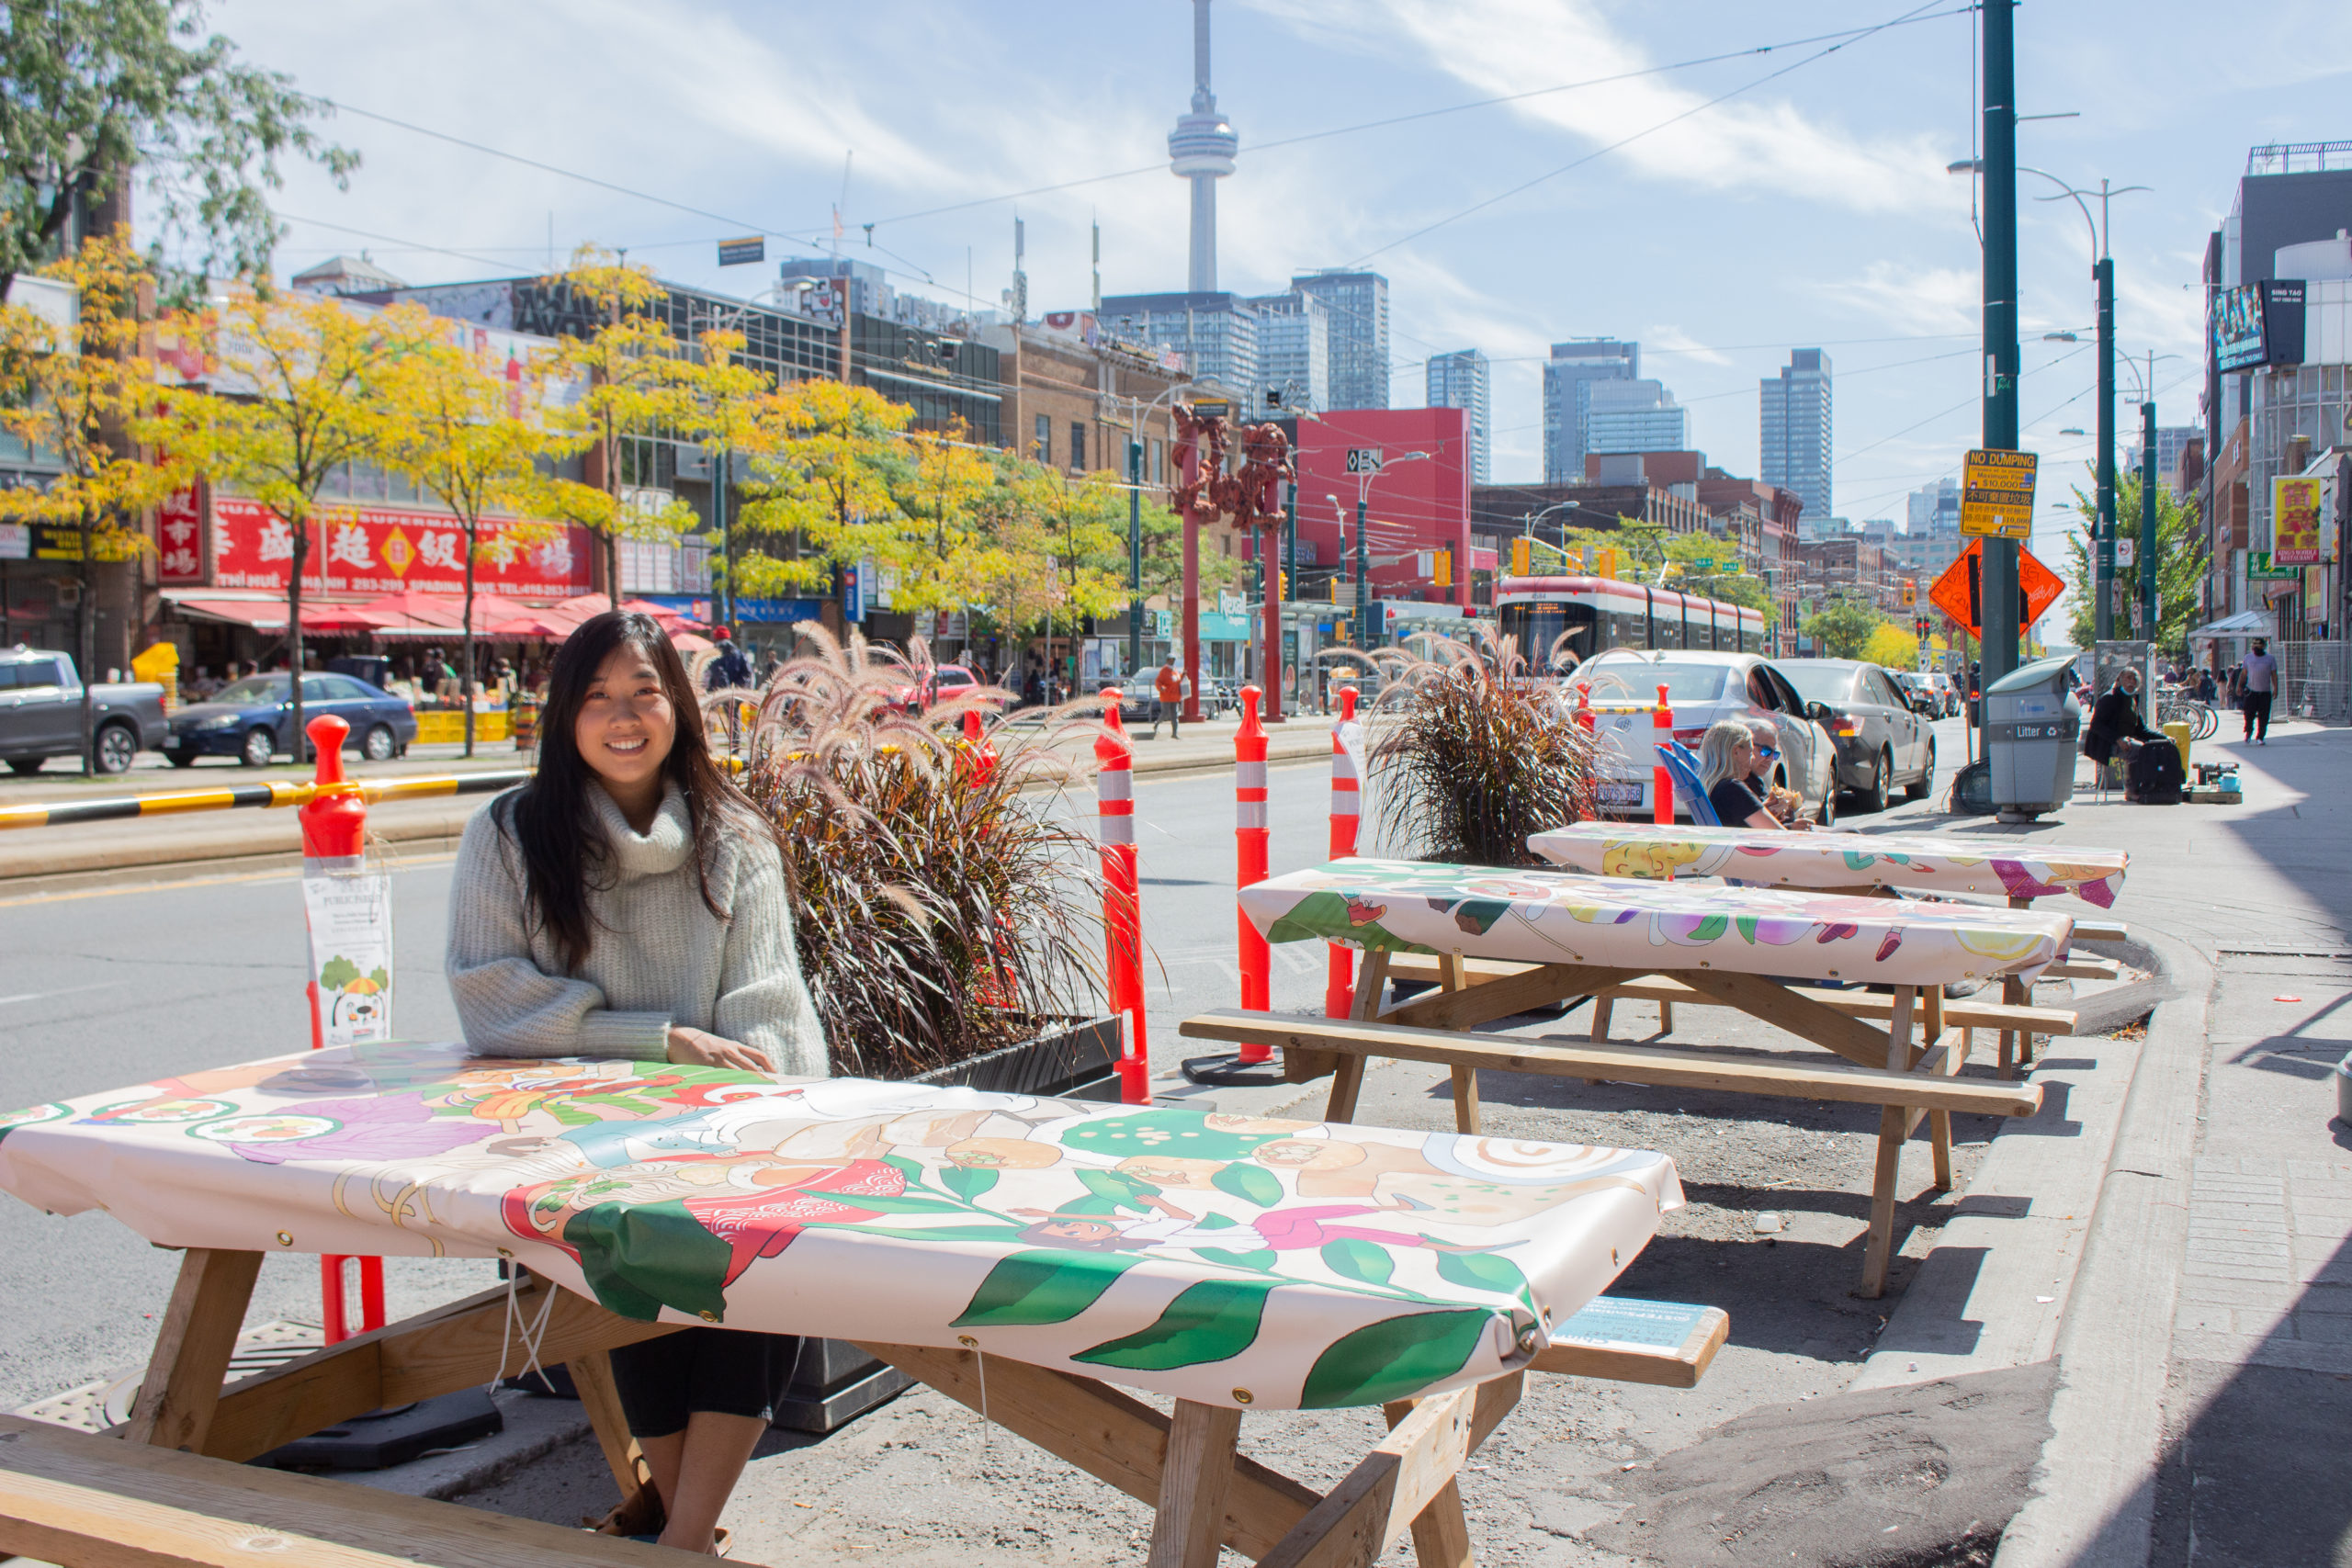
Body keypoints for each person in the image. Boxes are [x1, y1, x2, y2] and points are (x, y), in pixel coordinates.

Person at [445, 610, 825, 1554]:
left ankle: (681, 1535)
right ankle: (684, 1534)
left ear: (678, 708)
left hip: (724, 1131)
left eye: (644, 692)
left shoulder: (733, 837)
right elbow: (491, 1001)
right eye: (598, 696)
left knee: (760, 1261)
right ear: (565, 714)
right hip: (576, 1140)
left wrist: (741, 1121)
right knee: (634, 1269)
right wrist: (658, 1041)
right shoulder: (509, 835)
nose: (623, 716)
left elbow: (770, 1011)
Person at [1697, 719, 1806, 831]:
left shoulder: (1713, 784)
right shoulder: (1733, 788)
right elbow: (1778, 835)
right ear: (1736, 752)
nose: (1752, 758)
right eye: (1750, 754)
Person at [2084, 667, 2163, 769]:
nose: (2132, 682)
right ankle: (2134, 783)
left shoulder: (2132, 700)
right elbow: (2096, 725)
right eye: (2128, 678)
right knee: (2140, 750)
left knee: (2155, 748)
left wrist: (2164, 738)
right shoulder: (2110, 698)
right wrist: (2118, 739)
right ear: (2121, 680)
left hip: (2127, 740)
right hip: (2107, 744)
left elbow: (2141, 729)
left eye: (2135, 679)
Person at [2241, 636, 2277, 744]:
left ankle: (2260, 737)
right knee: (2248, 714)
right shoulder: (2248, 658)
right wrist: (2239, 686)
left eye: (2259, 647)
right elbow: (2243, 674)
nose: (2256, 649)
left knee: (2264, 716)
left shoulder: (2270, 659)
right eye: (2254, 647)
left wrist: (2276, 688)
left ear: (2263, 647)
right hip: (2251, 691)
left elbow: (2274, 675)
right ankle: (2248, 733)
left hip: (2265, 692)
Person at [701, 626, 752, 693]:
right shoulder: (740, 654)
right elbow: (747, 674)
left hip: (718, 695)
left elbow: (717, 674)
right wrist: (736, 689)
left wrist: (726, 690)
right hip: (737, 695)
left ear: (716, 638)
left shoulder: (714, 655)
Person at [1148, 657, 1182, 739]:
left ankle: (1174, 733)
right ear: (1167, 660)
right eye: (1170, 660)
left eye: (1173, 660)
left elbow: (1178, 680)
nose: (1172, 661)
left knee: (1174, 715)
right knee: (1165, 714)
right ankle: (1156, 725)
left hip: (1175, 697)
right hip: (1166, 697)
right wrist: (1161, 688)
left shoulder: (1175, 670)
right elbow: (1158, 681)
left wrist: (1183, 675)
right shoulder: (1164, 670)